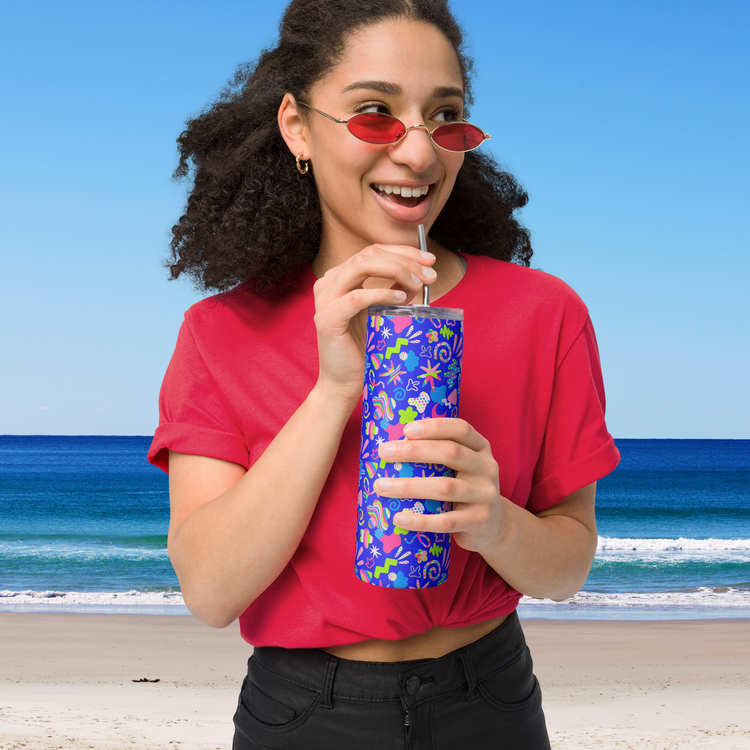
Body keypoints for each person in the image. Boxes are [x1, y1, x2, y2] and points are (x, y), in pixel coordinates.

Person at [148, 1, 620, 747]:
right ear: (298, 127)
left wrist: (497, 523)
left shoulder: (545, 313)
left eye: (446, 117)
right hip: (303, 710)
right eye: (375, 114)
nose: (420, 155)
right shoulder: (220, 333)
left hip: (490, 696)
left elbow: (568, 564)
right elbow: (210, 592)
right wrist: (336, 389)